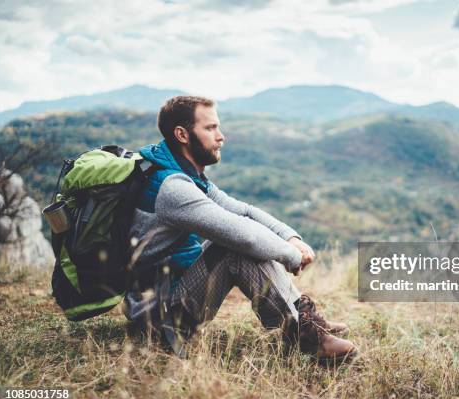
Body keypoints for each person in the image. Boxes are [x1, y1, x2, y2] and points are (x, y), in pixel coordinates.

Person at [123, 95, 356, 362]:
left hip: (172, 293)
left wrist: (290, 236)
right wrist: (291, 255)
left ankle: (304, 321)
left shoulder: (183, 173)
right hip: (158, 320)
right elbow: (242, 235)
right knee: (234, 247)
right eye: (210, 128)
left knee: (240, 240)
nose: (220, 136)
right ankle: (308, 338)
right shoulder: (172, 188)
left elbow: (242, 211)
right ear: (182, 134)